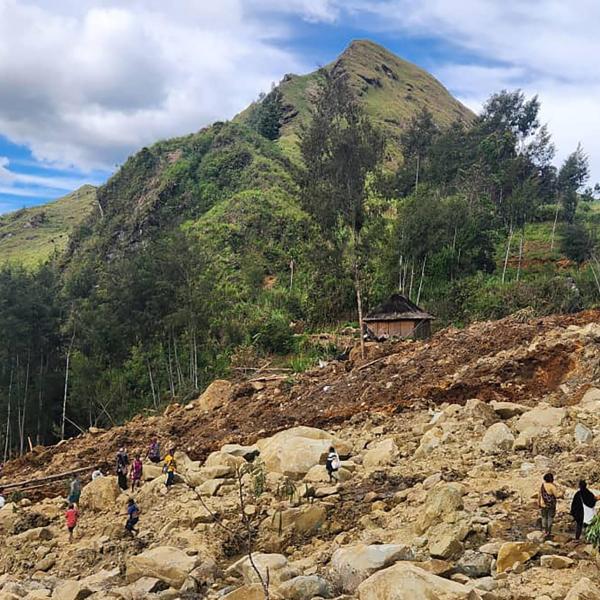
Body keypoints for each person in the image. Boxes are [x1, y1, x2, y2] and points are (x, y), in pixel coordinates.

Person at [539, 472, 560, 537]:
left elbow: (539, 495)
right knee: (550, 517)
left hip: (543, 504)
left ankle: (544, 530)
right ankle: (548, 531)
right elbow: (557, 495)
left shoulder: (542, 485)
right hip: (551, 505)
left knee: (544, 517)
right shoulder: (552, 486)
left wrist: (538, 502)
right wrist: (562, 493)